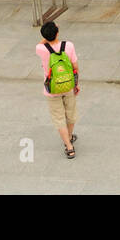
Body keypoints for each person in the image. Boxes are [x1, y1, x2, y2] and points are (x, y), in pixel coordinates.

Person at [36, 22, 80, 159]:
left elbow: (42, 41)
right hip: (68, 85)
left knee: (59, 117)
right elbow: (75, 67)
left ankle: (69, 147)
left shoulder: (41, 49)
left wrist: (47, 35)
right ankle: (70, 135)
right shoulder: (69, 46)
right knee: (70, 114)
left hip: (52, 89)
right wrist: (75, 84)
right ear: (57, 32)